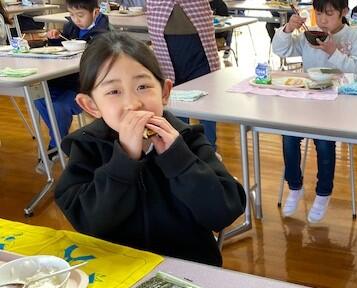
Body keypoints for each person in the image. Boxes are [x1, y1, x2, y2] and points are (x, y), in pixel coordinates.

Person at [54, 33, 246, 266]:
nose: (133, 103)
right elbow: (89, 222)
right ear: (91, 105)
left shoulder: (188, 139)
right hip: (120, 270)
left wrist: (179, 159)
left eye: (143, 86)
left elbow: (222, 213)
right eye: (113, 91)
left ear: (164, 92)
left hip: (190, 269)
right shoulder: (86, 147)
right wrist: (124, 160)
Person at [272, 0, 357, 223]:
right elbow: (281, 50)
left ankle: (323, 192)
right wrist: (288, 29)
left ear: (344, 12)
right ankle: (294, 187)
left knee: (324, 141)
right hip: (309, 101)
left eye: (329, 13)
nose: (323, 20)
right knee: (289, 136)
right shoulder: (309, 35)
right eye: (318, 13)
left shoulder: (354, 36)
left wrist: (333, 51)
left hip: (341, 103)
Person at [33, 0, 109, 174]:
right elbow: (61, 48)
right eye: (72, 15)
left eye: (80, 15)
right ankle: (61, 143)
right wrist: (55, 39)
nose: (76, 20)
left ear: (95, 13)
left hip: (84, 89)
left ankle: (55, 147)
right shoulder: (70, 27)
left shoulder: (103, 34)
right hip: (61, 81)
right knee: (39, 98)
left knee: (58, 106)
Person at [146, 0, 219, 148]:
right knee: (174, 101)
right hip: (163, 32)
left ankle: (209, 151)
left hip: (197, 32)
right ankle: (180, 150)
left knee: (206, 101)